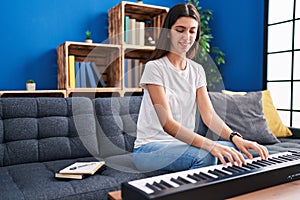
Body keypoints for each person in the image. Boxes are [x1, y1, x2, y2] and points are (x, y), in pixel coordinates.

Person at [132, 3, 268, 172]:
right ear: (168, 33)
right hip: (149, 149)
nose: (186, 36)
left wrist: (235, 138)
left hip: (182, 145)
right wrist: (210, 145)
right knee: (208, 155)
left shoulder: (197, 70)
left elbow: (209, 116)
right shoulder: (155, 68)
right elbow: (168, 123)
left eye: (192, 31)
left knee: (239, 150)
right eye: (180, 30)